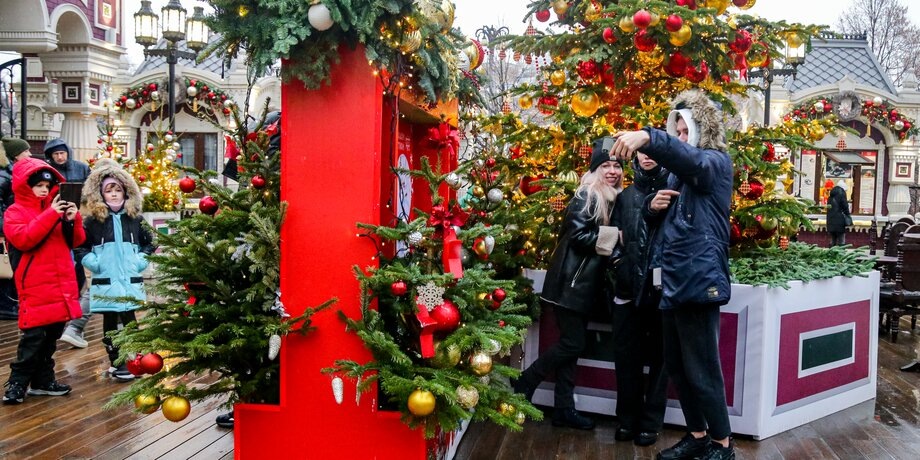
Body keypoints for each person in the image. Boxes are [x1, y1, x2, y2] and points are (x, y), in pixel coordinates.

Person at [611, 89, 735, 460]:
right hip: (674, 282)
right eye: (676, 131)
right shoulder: (678, 177)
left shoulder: (714, 162)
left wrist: (650, 136)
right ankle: (697, 436)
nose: (681, 137)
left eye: (685, 131)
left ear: (701, 130)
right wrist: (651, 210)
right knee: (679, 367)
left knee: (703, 368)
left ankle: (722, 445)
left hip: (699, 281)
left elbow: (690, 160)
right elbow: (670, 227)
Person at [512, 137, 623, 430]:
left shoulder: (610, 197)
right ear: (596, 169)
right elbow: (578, 236)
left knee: (571, 348)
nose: (613, 171)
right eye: (607, 165)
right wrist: (615, 238)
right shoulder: (588, 195)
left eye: (617, 166)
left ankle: (563, 408)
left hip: (582, 288)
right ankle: (526, 379)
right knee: (573, 343)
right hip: (570, 286)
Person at [2, 158, 85, 404]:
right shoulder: (14, 212)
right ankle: (16, 384)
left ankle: (43, 381)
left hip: (60, 284)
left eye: (47, 186)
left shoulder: (56, 209)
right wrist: (51, 214)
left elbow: (76, 241)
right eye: (38, 185)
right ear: (25, 186)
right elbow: (25, 239)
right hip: (35, 285)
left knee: (51, 336)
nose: (44, 190)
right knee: (33, 337)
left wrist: (72, 219)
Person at [609, 151, 670, 447]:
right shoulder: (626, 196)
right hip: (628, 288)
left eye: (653, 152)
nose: (647, 157)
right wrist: (620, 264)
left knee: (660, 358)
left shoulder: (673, 189)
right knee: (626, 358)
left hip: (660, 291)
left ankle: (651, 422)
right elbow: (612, 236)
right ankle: (627, 419)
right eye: (642, 152)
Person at [77, 158, 155, 381]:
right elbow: (80, 246)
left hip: (129, 278)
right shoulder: (93, 222)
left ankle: (134, 358)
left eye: (117, 190)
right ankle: (116, 360)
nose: (113, 194)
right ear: (101, 194)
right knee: (110, 321)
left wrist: (139, 261)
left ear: (126, 192)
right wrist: (94, 262)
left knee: (130, 319)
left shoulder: (135, 219)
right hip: (106, 279)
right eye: (108, 190)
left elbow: (150, 242)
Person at [44, 138, 92, 348]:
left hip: (78, 216)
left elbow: (90, 189)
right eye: (55, 154)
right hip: (56, 219)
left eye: (62, 153)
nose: (59, 157)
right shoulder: (48, 172)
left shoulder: (80, 168)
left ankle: (75, 296)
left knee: (78, 262)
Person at [0, 137, 34, 320]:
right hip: (6, 230)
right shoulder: (4, 176)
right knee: (5, 267)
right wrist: (5, 229)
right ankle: (6, 304)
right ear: (14, 155)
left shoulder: (10, 173)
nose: (29, 154)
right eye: (25, 151)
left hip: (10, 227)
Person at [826, 180, 851, 247]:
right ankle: (841, 255)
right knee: (841, 239)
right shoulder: (842, 194)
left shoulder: (830, 196)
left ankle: (831, 254)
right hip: (840, 220)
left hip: (830, 220)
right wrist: (848, 215)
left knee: (832, 239)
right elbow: (845, 207)